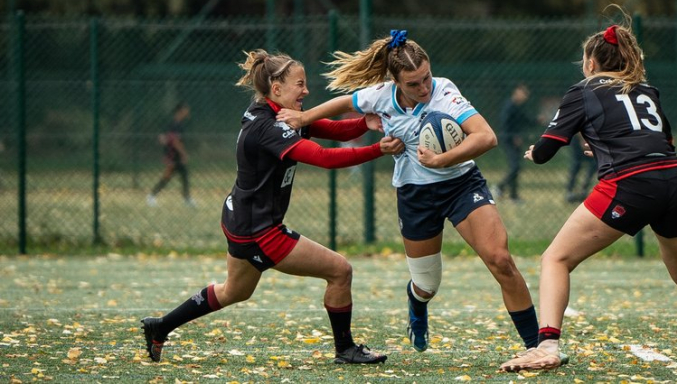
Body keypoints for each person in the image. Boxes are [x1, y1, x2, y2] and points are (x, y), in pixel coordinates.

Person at [276, 30, 566, 368]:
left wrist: (442, 159)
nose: (424, 87)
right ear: (396, 82)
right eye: (413, 84)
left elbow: (487, 137)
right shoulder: (381, 96)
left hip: (461, 185)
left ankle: (537, 347)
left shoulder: (445, 92)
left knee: (501, 260)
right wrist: (303, 118)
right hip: (416, 195)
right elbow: (345, 102)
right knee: (427, 284)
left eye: (426, 77)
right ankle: (417, 302)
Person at [501, 11, 677, 373]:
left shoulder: (584, 89)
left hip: (630, 183)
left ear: (590, 61)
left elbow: (545, 152)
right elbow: (660, 141)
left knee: (556, 259)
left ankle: (547, 345)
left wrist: (533, 151)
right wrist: (603, 146)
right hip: (674, 178)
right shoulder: (647, 89)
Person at [141, 50, 403, 365]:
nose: (306, 91)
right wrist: (378, 150)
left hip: (240, 219)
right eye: (300, 85)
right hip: (259, 230)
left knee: (233, 292)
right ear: (276, 89)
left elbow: (332, 130)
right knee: (340, 271)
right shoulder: (268, 127)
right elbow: (323, 157)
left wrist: (365, 122)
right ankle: (345, 350)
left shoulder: (282, 113)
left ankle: (160, 327)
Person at [147, 102, 194, 207]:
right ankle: (152, 196)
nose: (188, 112)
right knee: (168, 176)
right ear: (180, 111)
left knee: (183, 175)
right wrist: (183, 154)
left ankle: (187, 199)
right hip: (173, 155)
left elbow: (165, 138)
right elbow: (175, 141)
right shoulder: (175, 124)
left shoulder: (177, 124)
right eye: (186, 109)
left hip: (174, 154)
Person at [493, 84, 533, 202]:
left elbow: (525, 120)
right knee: (515, 167)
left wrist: (537, 120)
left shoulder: (517, 107)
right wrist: (514, 136)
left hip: (515, 141)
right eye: (523, 94)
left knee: (516, 167)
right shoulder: (509, 106)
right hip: (509, 140)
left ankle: (513, 195)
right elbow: (505, 124)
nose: (525, 97)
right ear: (516, 92)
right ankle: (499, 187)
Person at [565, 134, 595, 203]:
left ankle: (584, 190)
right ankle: (570, 191)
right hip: (578, 138)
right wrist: (583, 139)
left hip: (591, 138)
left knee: (593, 164)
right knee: (577, 164)